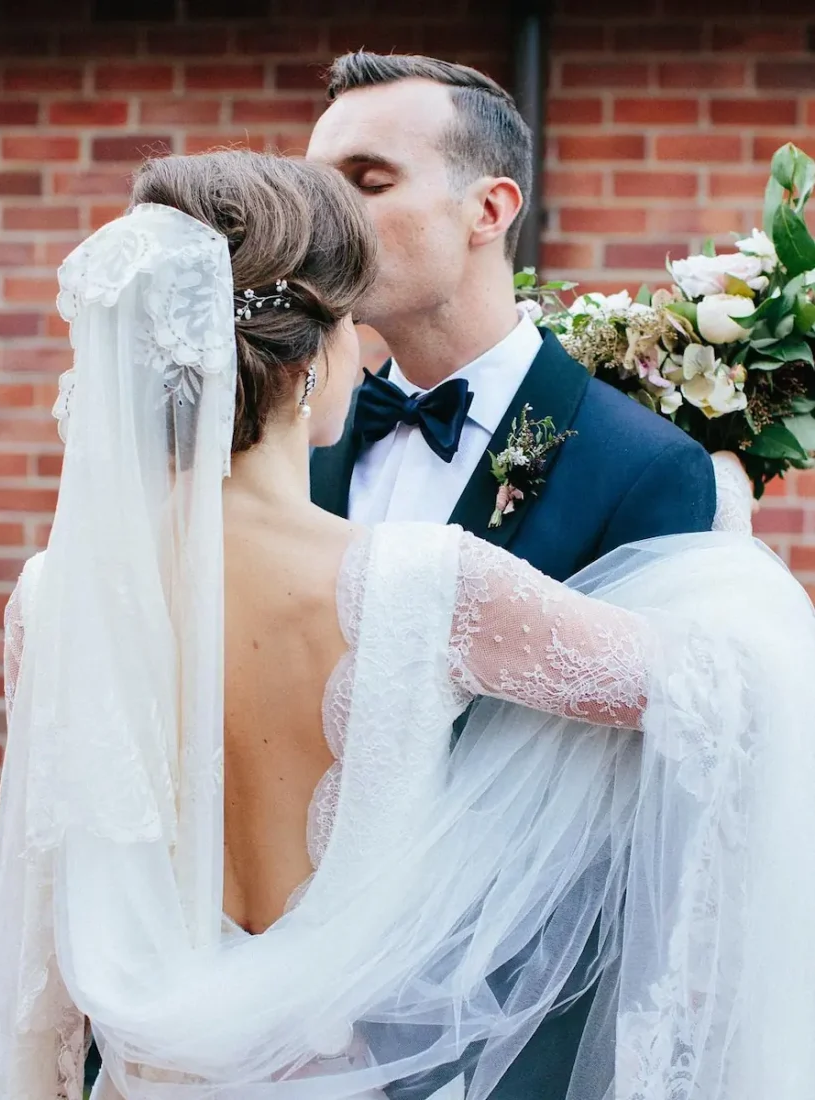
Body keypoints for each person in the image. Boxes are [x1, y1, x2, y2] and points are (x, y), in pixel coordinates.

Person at [0, 151, 814, 1100]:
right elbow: (727, 692)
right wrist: (723, 514)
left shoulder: (55, 600)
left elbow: (39, 934)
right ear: (312, 362)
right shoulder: (423, 585)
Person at [305, 52, 717, 1100]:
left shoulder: (642, 467)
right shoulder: (291, 446)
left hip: (501, 1041)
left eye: (367, 178)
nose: (324, 215)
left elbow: (651, 824)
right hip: (290, 1013)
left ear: (490, 206)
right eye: (315, 184)